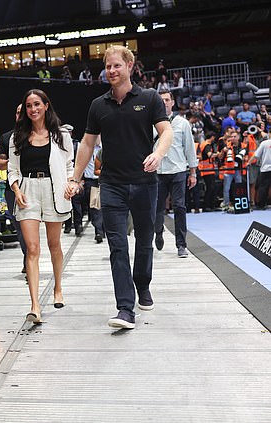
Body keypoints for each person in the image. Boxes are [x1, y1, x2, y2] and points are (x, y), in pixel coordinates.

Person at [66, 45, 173, 330]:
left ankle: (143, 284)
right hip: (111, 184)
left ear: (129, 66)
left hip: (145, 183)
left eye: (116, 66)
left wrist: (158, 154)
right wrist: (75, 178)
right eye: (108, 67)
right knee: (117, 246)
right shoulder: (98, 105)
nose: (111, 71)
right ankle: (125, 308)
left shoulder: (149, 98)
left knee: (144, 241)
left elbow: (166, 132)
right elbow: (87, 144)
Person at [7, 89, 74, 324]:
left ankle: (58, 287)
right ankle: (35, 306)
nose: (33, 109)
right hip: (28, 192)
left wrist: (71, 184)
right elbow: (12, 169)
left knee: (53, 244)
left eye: (37, 104)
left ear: (46, 105)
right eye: (28, 106)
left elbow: (69, 165)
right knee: (32, 249)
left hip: (54, 189)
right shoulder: (17, 137)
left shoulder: (61, 135)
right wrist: (16, 190)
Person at [154, 91, 198, 258]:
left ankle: (181, 245)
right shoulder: (150, 123)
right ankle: (158, 232)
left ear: (172, 102)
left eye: (167, 100)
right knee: (157, 209)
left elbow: (189, 148)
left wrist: (193, 172)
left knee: (179, 207)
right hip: (157, 172)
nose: (164, 103)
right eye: (161, 100)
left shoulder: (182, 123)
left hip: (178, 170)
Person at [0, 105, 27, 275]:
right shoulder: (6, 137)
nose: (20, 115)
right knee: (19, 227)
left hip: (32, 185)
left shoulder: (37, 135)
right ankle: (28, 256)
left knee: (29, 226)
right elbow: (1, 163)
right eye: (17, 112)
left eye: (22, 112)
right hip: (11, 188)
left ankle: (30, 260)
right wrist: (16, 160)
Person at [198, 131, 220, 211]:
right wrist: (218, 154)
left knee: (211, 187)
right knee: (210, 188)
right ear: (212, 137)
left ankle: (210, 205)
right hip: (207, 170)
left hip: (207, 169)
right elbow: (210, 155)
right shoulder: (207, 145)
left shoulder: (204, 144)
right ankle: (207, 206)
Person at [252, 135, 271, 209]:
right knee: (264, 187)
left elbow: (256, 155)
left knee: (263, 187)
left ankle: (261, 205)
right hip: (265, 168)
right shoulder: (264, 143)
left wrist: (248, 162)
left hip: (265, 169)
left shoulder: (264, 143)